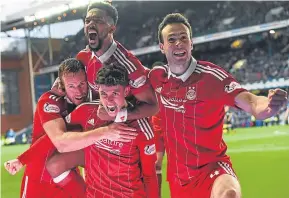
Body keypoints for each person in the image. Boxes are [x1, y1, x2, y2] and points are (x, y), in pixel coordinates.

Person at [148, 13, 288, 198]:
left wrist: (269, 105)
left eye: (184, 38)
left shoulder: (212, 77)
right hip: (178, 180)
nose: (179, 43)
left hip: (212, 169)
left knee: (228, 194)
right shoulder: (157, 79)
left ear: (191, 43)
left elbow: (252, 101)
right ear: (162, 47)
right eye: (171, 39)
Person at [4, 58, 137, 198]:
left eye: (82, 84)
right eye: (71, 86)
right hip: (39, 179)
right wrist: (22, 160)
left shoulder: (90, 105)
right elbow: (56, 141)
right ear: (62, 85)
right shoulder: (50, 101)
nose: (79, 91)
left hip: (66, 175)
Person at [46, 64, 159, 197]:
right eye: (103, 93)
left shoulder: (141, 128)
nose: (109, 100)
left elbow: (149, 176)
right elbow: (54, 137)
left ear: (126, 91)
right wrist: (23, 159)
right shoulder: (85, 111)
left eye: (115, 93)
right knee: (54, 164)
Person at [52, 1, 158, 121]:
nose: (91, 24)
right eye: (87, 21)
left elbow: (153, 106)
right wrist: (61, 82)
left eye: (98, 21)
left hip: (126, 130)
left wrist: (119, 116)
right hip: (97, 124)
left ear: (112, 28)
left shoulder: (128, 66)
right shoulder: (83, 57)